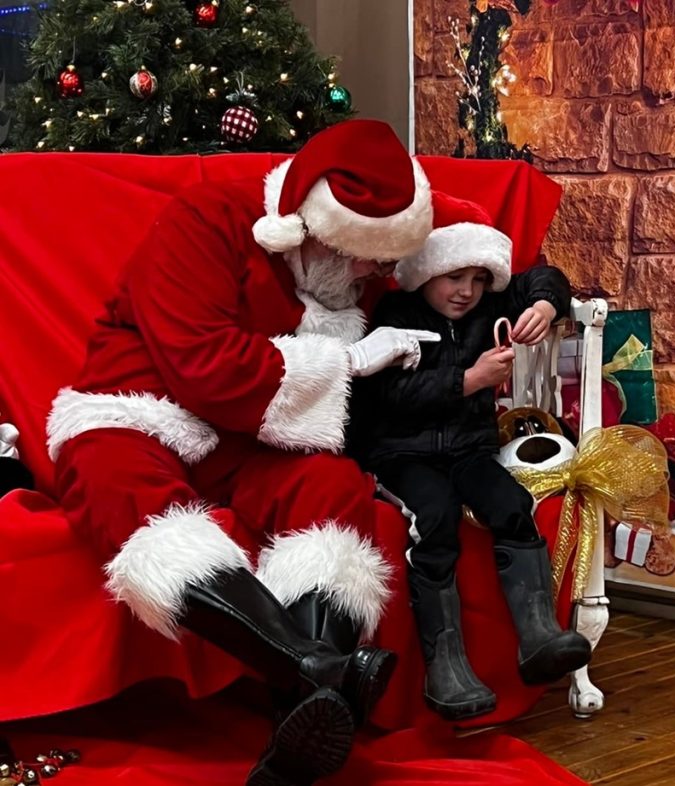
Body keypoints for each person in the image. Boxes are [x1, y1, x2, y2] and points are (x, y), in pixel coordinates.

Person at [45, 119, 438, 786]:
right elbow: (201, 365)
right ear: (316, 230)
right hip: (141, 404)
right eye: (369, 257)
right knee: (118, 485)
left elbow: (476, 247)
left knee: (331, 485)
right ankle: (319, 671)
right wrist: (343, 359)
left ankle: (300, 723)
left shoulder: (356, 266)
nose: (382, 274)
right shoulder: (205, 218)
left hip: (252, 438)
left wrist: (538, 298)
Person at [351, 192, 592, 722]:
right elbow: (387, 395)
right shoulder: (395, 313)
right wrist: (468, 380)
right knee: (434, 517)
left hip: (468, 449)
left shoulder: (487, 308)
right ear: (427, 272)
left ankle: (538, 637)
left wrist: (545, 306)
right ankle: (446, 667)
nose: (467, 291)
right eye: (454, 277)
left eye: (479, 279)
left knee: (510, 503)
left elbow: (542, 277)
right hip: (402, 453)